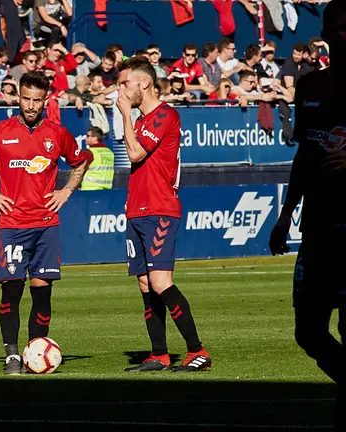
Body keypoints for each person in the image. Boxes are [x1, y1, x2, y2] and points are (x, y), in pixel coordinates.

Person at [0, 71, 87, 375]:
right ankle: (12, 355)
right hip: (12, 225)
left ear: (46, 100)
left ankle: (35, 350)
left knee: (42, 290)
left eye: (37, 100)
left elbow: (81, 161)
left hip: (46, 224)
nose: (31, 105)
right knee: (11, 291)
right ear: (18, 97)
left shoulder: (57, 134)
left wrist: (66, 190)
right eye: (26, 98)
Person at [269, 2, 346, 428]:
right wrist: (285, 215)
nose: (341, 36)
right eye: (335, 28)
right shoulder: (312, 85)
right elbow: (305, 153)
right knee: (307, 332)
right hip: (317, 225)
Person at [116, 57, 211, 373]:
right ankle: (159, 354)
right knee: (145, 283)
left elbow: (134, 153)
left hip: (160, 210)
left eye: (124, 83)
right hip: (137, 210)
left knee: (160, 281)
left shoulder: (164, 115)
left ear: (143, 83)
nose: (121, 90)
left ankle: (197, 351)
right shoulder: (142, 120)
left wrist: (125, 115)